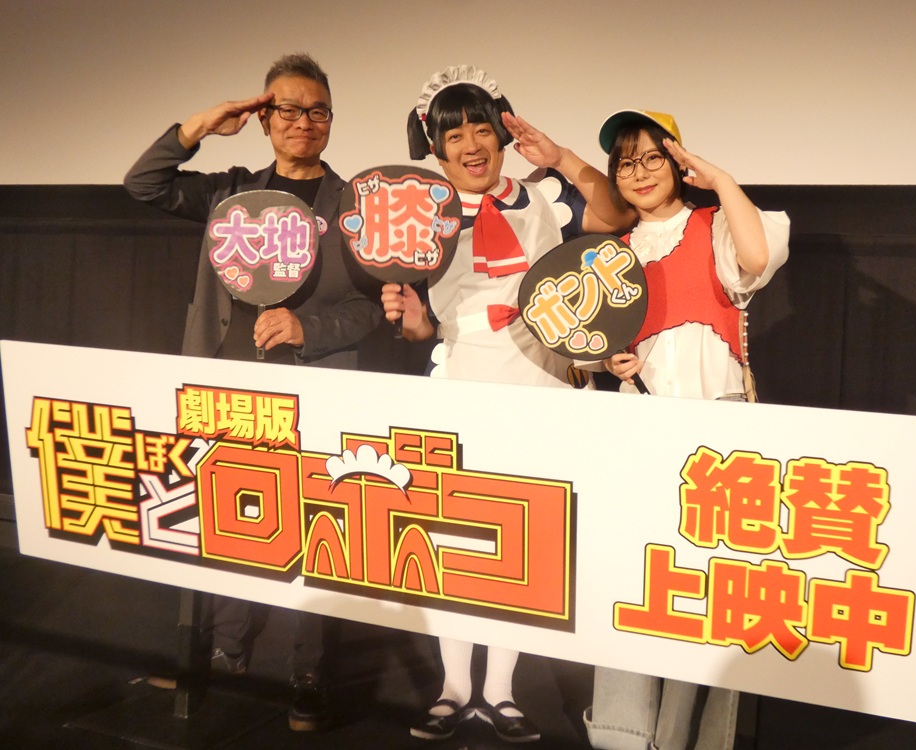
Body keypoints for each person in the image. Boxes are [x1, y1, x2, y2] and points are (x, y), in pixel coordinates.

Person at [123, 52, 383, 732]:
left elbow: (369, 309)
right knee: (223, 517)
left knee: (314, 529)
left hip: (313, 388)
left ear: (331, 120)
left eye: (317, 110)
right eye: (287, 109)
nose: (303, 122)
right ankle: (222, 650)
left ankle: (307, 673)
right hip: (226, 383)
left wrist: (307, 326)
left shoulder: (354, 206)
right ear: (265, 118)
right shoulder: (231, 192)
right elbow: (144, 184)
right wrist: (201, 126)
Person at [382, 65, 633, 743]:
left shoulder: (544, 195)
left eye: (481, 128)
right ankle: (453, 687)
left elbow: (617, 216)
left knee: (524, 537)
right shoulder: (422, 216)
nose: (471, 143)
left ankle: (501, 689)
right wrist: (411, 321)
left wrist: (562, 157)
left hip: (543, 381)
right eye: (454, 134)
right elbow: (423, 327)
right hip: (463, 382)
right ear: (435, 148)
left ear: (501, 132)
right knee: (455, 538)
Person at [582, 110, 789, 750]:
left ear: (679, 163)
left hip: (716, 430)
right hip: (638, 428)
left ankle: (691, 739)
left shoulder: (717, 225)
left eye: (653, 157)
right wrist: (607, 361)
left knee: (708, 594)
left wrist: (719, 179)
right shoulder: (609, 254)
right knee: (633, 580)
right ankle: (621, 732)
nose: (639, 173)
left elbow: (758, 258)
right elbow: (589, 342)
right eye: (626, 163)